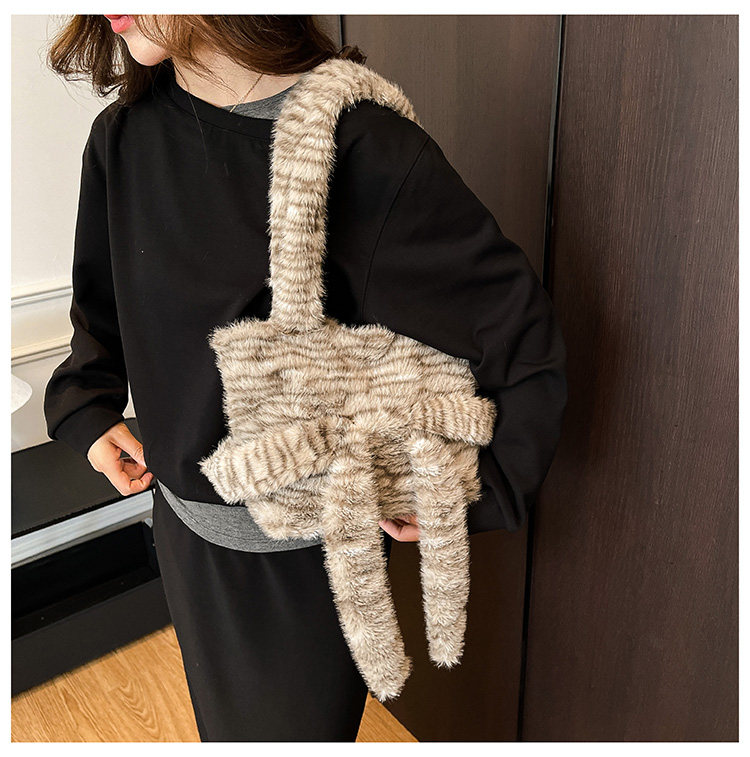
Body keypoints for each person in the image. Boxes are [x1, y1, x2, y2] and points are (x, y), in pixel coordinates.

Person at [42, 14, 568, 742]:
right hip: (182, 526)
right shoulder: (125, 134)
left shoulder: (359, 146)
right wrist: (88, 404)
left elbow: (517, 335)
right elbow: (103, 302)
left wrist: (478, 487)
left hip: (303, 559)